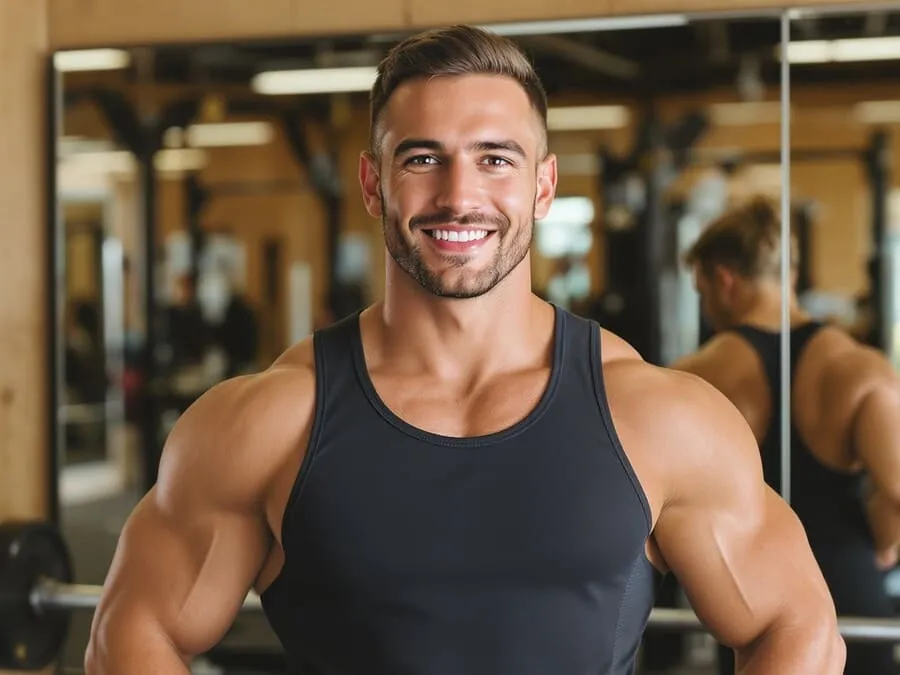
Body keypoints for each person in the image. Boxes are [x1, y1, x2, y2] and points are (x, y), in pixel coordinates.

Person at [84, 26, 844, 675]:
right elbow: (130, 632)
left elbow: (800, 629)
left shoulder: (657, 415)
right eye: (421, 158)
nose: (458, 195)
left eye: (495, 159)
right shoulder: (267, 421)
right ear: (373, 181)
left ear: (543, 186)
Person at [672, 196, 899, 674]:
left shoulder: (695, 378)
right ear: (790, 273)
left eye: (703, 291)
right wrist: (884, 534)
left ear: (724, 280)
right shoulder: (861, 370)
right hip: (850, 589)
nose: (708, 308)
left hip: (749, 600)